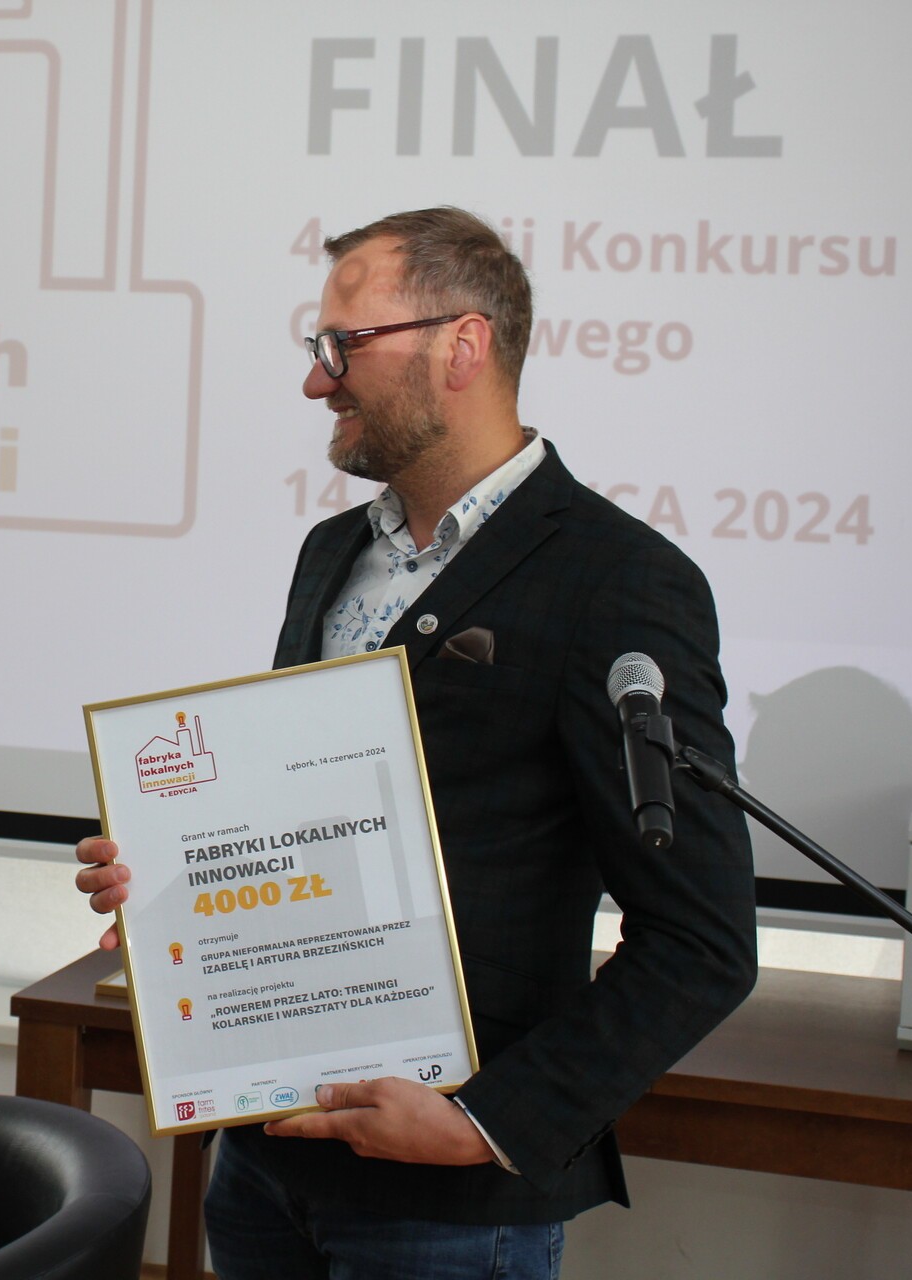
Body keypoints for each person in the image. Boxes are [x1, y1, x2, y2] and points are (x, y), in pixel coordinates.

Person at [74, 208, 756, 1279]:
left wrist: (488, 1122)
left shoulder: (619, 581)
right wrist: (176, 878)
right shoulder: (331, 551)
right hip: (263, 1159)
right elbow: (303, 823)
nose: (318, 380)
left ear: (462, 345)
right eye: (320, 347)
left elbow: (701, 939)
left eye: (344, 345)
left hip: (447, 1204)